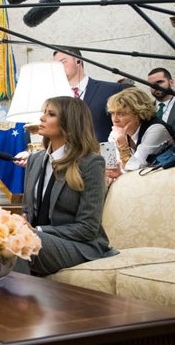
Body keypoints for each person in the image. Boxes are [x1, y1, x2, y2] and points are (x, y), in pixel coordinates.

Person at [17, 96, 115, 276]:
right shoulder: (35, 160)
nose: (42, 118)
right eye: (44, 112)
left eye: (51, 114)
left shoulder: (91, 162)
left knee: (23, 240)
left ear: (69, 122)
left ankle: (15, 302)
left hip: (81, 246)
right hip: (38, 239)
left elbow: (87, 228)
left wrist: (37, 230)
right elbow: (28, 211)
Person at [52, 48, 125, 142]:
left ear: (78, 61)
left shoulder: (111, 90)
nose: (59, 67)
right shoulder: (55, 98)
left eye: (63, 62)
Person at [105, 88, 175, 178]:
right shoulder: (115, 133)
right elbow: (111, 168)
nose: (115, 119)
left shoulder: (156, 130)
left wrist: (123, 146)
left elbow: (135, 169)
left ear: (138, 114)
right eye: (112, 113)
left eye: (121, 114)